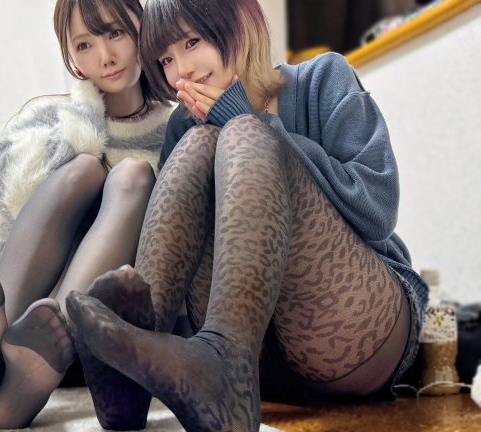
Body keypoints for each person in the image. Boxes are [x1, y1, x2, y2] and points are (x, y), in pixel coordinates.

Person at [66, 0, 429, 430]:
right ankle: (133, 380)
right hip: (259, 360)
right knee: (199, 141)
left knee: (241, 132)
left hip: (353, 334)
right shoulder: (185, 124)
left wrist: (252, 121)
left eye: (192, 42)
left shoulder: (322, 78)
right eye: (166, 59)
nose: (181, 71)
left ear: (240, 21)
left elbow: (378, 212)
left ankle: (222, 365)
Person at [0, 0, 172, 430]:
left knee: (134, 175)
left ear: (143, 27)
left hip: (98, 341)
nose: (105, 57)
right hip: (18, 325)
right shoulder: (50, 118)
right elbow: (13, 200)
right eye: (84, 45)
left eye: (115, 33)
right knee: (83, 169)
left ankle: (37, 353)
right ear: (71, 58)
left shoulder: (175, 129)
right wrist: (86, 124)